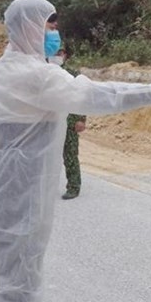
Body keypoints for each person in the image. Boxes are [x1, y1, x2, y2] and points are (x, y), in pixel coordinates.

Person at [0, 0, 151, 302]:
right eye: (50, 26)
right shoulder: (37, 76)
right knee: (20, 283)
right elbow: (106, 95)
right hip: (24, 192)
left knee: (10, 275)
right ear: (30, 28)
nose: (55, 33)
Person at [49, 47, 86, 200]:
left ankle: (73, 186)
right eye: (54, 53)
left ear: (65, 55)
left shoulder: (73, 75)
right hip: (49, 122)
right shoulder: (45, 74)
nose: (57, 56)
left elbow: (81, 97)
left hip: (69, 122)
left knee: (70, 155)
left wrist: (81, 119)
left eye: (60, 53)